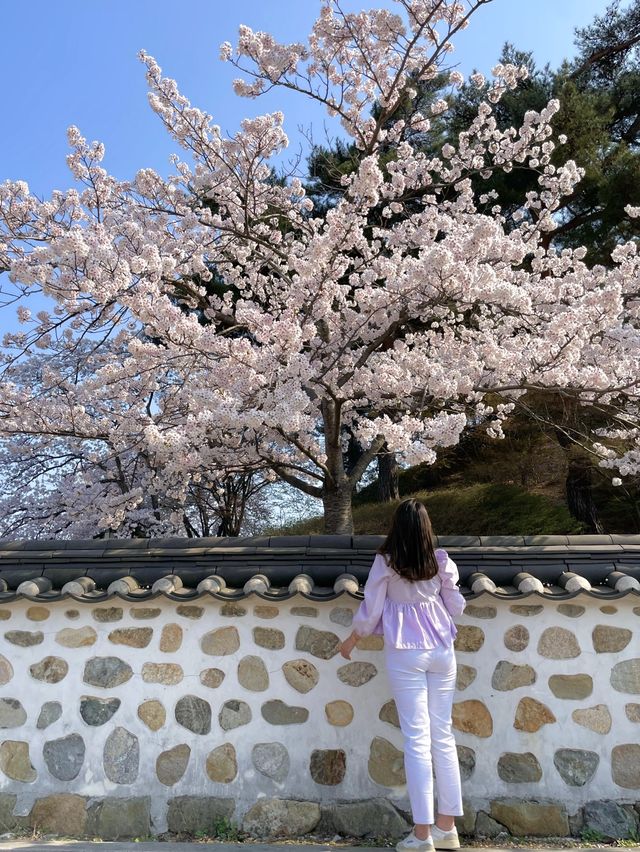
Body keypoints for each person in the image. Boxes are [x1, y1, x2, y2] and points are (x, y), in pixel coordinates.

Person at [339, 498, 466, 852]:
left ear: (396, 526)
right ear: (426, 528)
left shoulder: (386, 563)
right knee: (442, 734)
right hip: (443, 651)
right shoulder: (440, 561)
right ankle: (447, 828)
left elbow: (371, 608)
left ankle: (422, 835)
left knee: (416, 738)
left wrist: (352, 639)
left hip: (406, 651)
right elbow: (456, 606)